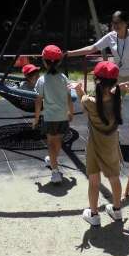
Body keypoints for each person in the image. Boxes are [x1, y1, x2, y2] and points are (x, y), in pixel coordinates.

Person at [74, 61, 129, 226]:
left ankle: (94, 215)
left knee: (94, 181)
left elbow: (83, 99)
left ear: (97, 80)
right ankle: (117, 210)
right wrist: (121, 89)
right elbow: (115, 93)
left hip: (94, 146)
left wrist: (78, 89)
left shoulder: (89, 102)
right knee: (114, 178)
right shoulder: (117, 99)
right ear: (114, 82)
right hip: (111, 145)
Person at [67, 10, 129, 119]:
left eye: (118, 22)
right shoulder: (110, 36)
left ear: (125, 23)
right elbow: (92, 48)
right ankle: (110, 127)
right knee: (111, 105)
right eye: (113, 22)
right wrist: (70, 53)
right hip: (119, 76)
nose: (115, 25)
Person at [33, 45, 74, 184]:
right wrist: (71, 112)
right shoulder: (64, 78)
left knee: (51, 143)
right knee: (58, 142)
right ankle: (52, 160)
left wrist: (36, 118)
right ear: (59, 61)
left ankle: (55, 171)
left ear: (44, 62)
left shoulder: (42, 80)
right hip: (62, 116)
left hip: (49, 117)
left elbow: (38, 101)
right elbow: (69, 97)